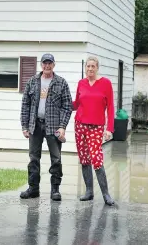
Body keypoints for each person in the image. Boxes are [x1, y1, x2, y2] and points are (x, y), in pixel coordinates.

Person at [20, 53, 73, 201]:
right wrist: (24, 126)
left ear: (54, 65)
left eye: (50, 63)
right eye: (45, 63)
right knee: (33, 158)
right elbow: (25, 105)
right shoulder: (32, 82)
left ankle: (55, 190)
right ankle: (33, 188)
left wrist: (62, 126)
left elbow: (67, 106)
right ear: (41, 65)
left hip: (54, 126)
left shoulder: (61, 83)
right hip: (35, 125)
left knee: (56, 159)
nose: (47, 65)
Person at [72, 56, 115, 206]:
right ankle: (89, 192)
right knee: (84, 158)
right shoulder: (81, 83)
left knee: (96, 159)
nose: (90, 69)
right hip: (80, 125)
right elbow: (76, 104)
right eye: (88, 66)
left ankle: (106, 194)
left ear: (97, 68)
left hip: (96, 127)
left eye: (93, 66)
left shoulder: (105, 84)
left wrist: (109, 129)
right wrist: (62, 101)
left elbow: (110, 107)